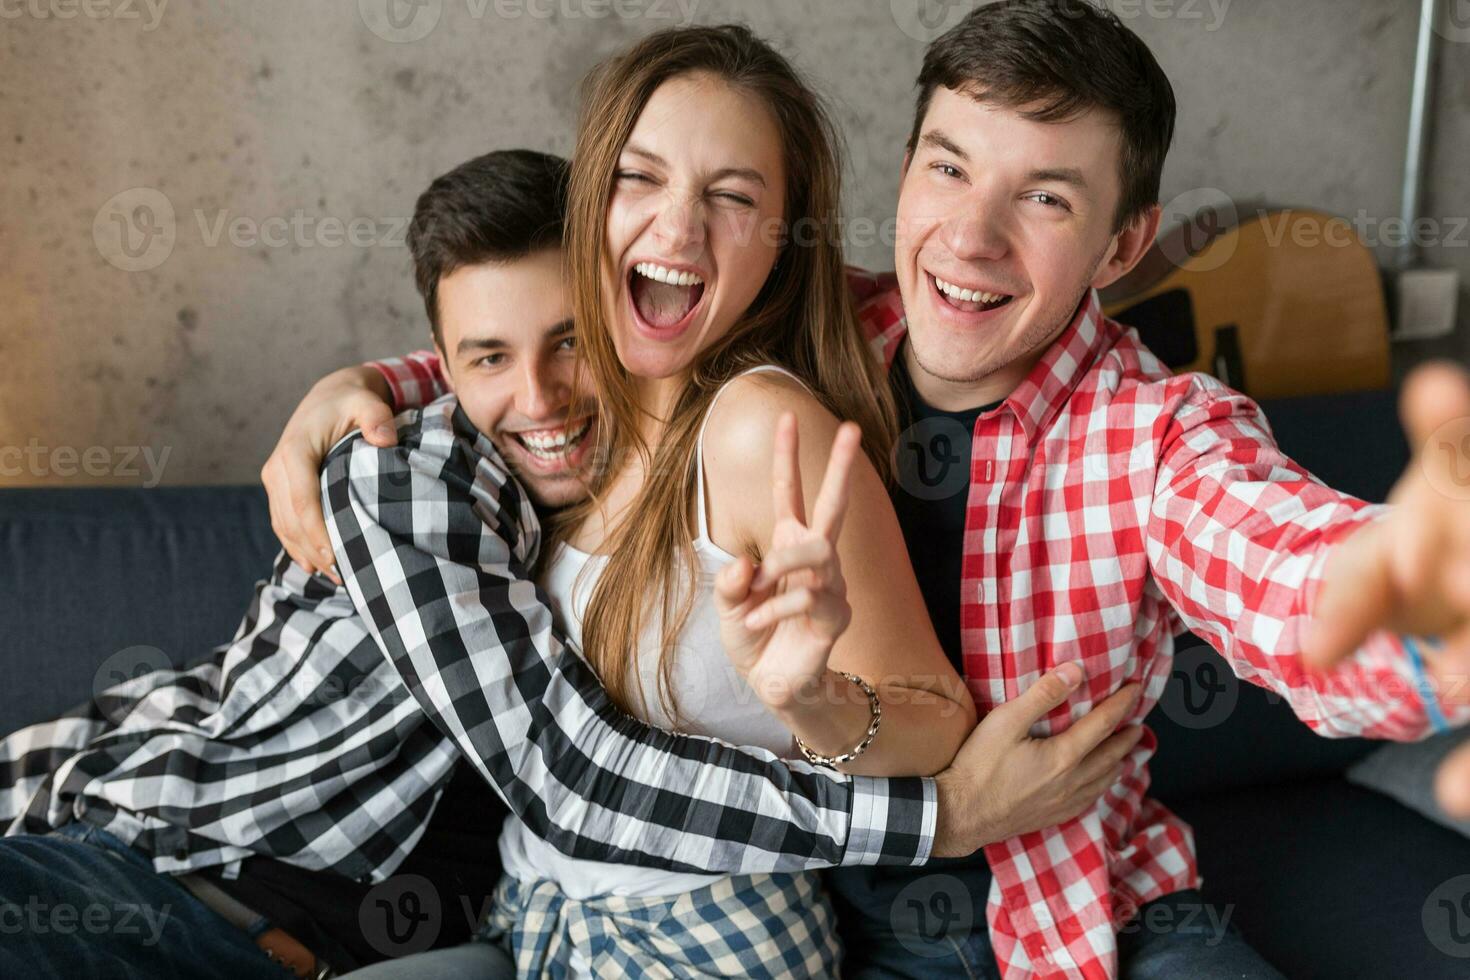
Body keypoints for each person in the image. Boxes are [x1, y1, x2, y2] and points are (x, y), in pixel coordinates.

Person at [275, 4, 1470, 978]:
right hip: (834, 914)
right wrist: (371, 380)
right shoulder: (837, 319)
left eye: (1046, 197)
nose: (973, 236)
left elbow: (1281, 558)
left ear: (1121, 245)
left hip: (1068, 918)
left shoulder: (1156, 437)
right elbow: (581, 327)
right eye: (950, 167)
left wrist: (1415, 600)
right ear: (904, 175)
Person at [0, 147, 1136, 980]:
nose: (536, 399)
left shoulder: (648, 472)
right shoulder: (412, 478)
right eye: (486, 358)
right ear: (444, 368)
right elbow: (566, 774)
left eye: (568, 345)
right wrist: (939, 815)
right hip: (134, 860)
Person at [328, 25, 984, 977]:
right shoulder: (579, 401)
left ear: (782, 244)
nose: (678, 231)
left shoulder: (760, 427)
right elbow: (478, 347)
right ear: (589, 201)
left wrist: (817, 703)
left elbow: (938, 716)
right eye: (641, 179)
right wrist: (344, 394)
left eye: (731, 197)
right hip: (534, 909)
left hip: (706, 937)